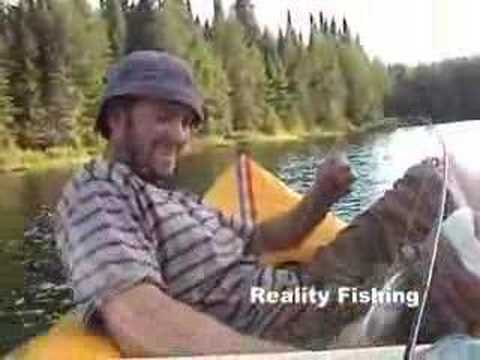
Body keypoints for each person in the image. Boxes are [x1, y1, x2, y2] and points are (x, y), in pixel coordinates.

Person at [54, 50, 480, 357]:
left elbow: (262, 238)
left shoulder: (173, 198)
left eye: (187, 122)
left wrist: (323, 194)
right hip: (299, 327)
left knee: (437, 173)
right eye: (165, 117)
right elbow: (140, 316)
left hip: (310, 286)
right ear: (115, 120)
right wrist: (296, 357)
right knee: (462, 249)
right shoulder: (98, 192)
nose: (181, 135)